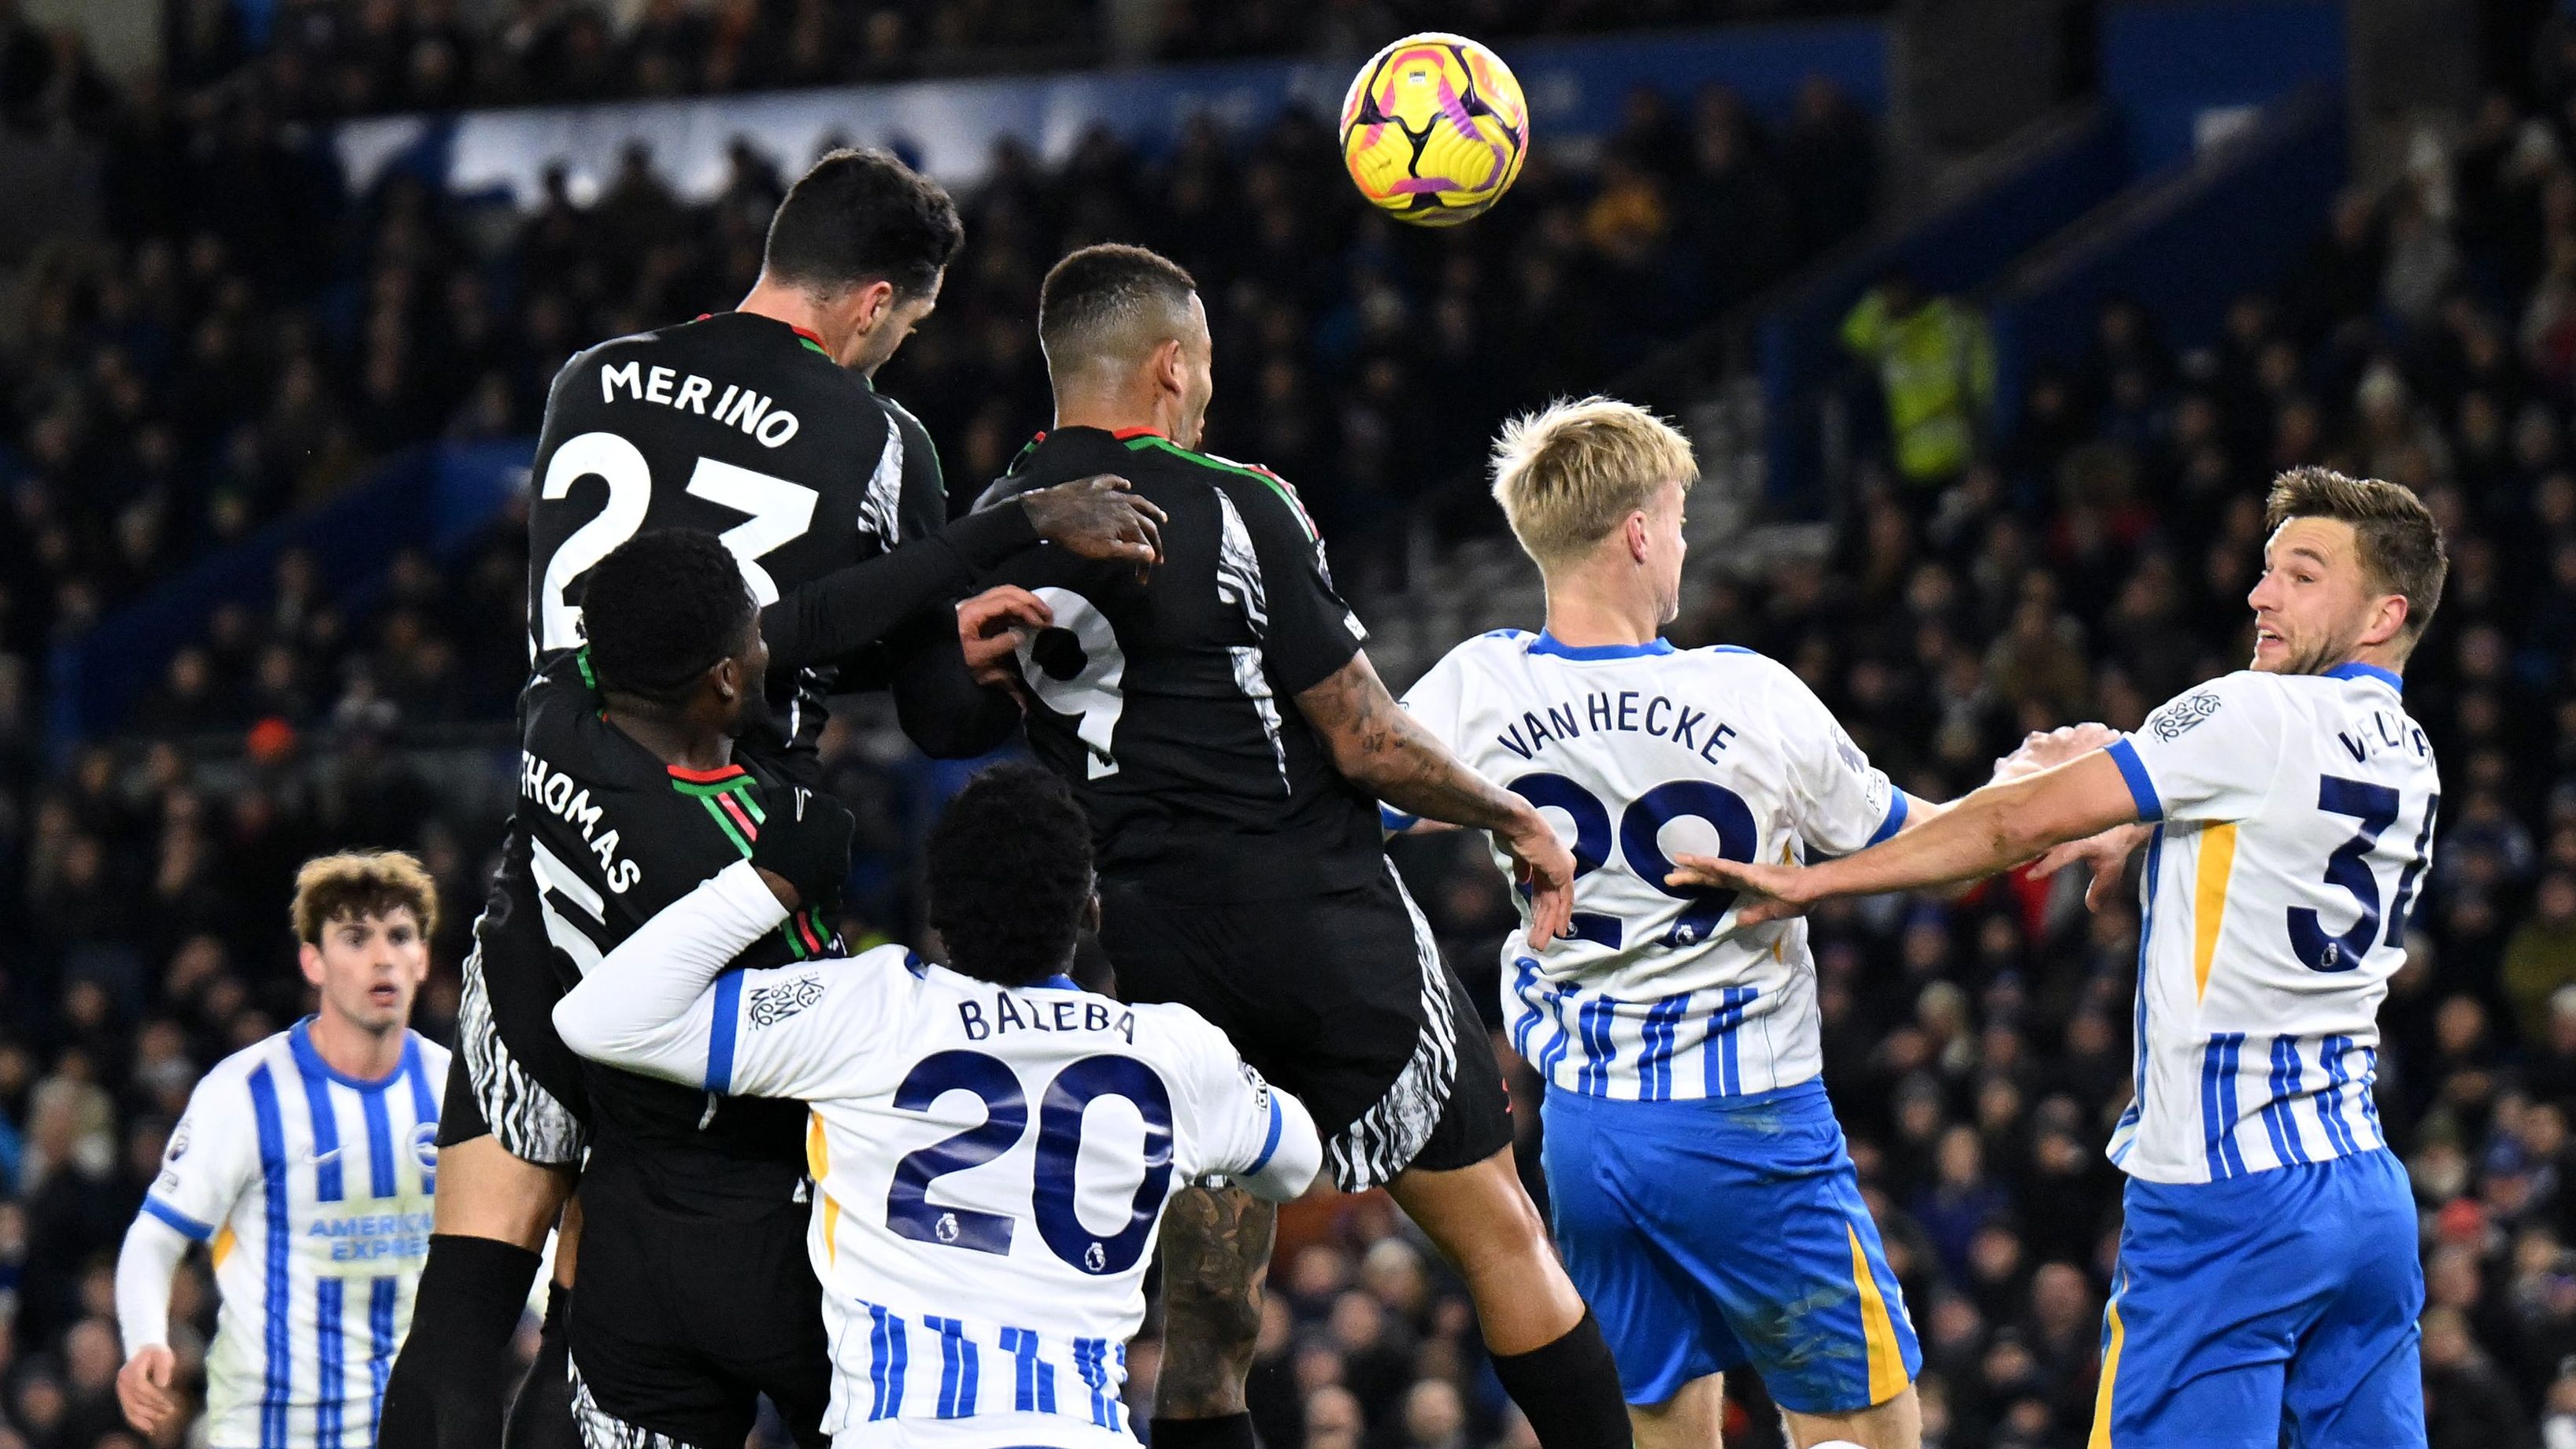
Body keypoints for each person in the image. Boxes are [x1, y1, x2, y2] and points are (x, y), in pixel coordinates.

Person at [387, 146, 1162, 1449]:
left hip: (554, 862)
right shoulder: (874, 435)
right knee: (636, 1325)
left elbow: (680, 638)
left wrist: (868, 633)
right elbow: (926, 713)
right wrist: (1000, 635)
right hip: (726, 907)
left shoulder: (591, 378)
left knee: (467, 1303)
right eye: (906, 327)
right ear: (872, 302)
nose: (897, 350)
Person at [950, 242, 1631, 1449]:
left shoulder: (992, 533)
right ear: (1170, 365)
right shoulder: (1234, 501)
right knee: (1500, 1235)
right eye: (1202, 363)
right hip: (1321, 925)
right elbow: (1365, 738)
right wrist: (1511, 814)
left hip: (1160, 953)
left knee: (1209, 1322)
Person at [1674, 466, 2448, 1449]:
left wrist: (1817, 882)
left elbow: (2011, 821)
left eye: (2300, 575)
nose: (2259, 593)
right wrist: (2144, 817)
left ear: (2382, 614)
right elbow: (2273, 827)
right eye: (2263, 571)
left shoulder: (2257, 714)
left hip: (2225, 1195)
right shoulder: (2410, 753)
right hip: (2362, 1193)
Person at [1393, 397, 1945, 1448]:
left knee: (1662, 1430)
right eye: (1680, 520)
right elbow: (1906, 842)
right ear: (1640, 531)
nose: (1685, 543)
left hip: (1589, 1134)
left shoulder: (1476, 688)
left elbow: (1346, 811)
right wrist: (2038, 808)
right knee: (1865, 1430)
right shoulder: (1749, 693)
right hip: (1746, 1123)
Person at [550, 760, 1323, 1447]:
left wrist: (767, 881)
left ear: (939, 909)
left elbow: (601, 1016)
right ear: (1089, 908)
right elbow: (1295, 1160)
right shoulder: (1175, 1052)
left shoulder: (871, 1008)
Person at [451, 527, 887, 1449]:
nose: (768, 644)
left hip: (629, 1223)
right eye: (752, 639)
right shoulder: (747, 836)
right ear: (726, 681)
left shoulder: (551, 716)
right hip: (771, 1229)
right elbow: (824, 1020)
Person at [113, 852, 449, 1447]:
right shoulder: (245, 1091)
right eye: (355, 938)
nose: (382, 957)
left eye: (399, 936)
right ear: (312, 960)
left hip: (415, 1426)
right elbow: (155, 1237)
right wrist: (146, 1339)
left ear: (421, 957)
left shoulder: (455, 1086)